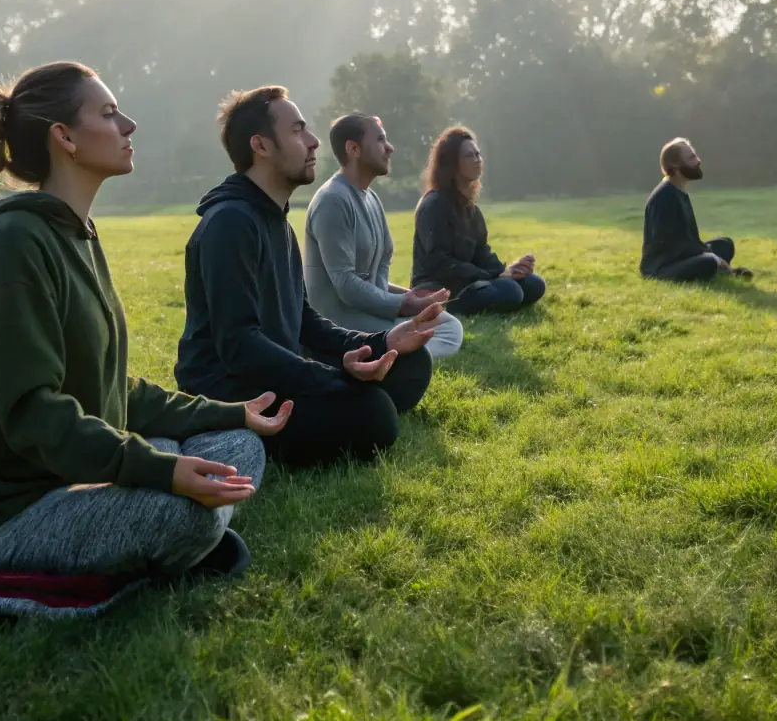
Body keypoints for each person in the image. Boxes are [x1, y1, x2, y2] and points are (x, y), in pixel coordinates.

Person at [0, 62, 292, 584]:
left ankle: (182, 529)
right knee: (182, 513)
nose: (129, 125)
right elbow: (34, 414)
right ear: (64, 136)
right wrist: (164, 473)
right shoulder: (15, 246)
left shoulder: (77, 235)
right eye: (110, 114)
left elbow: (115, 391)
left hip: (64, 481)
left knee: (237, 446)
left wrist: (232, 412)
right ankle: (182, 535)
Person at [175, 86, 441, 468]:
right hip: (234, 390)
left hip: (277, 370)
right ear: (261, 146)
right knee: (375, 415)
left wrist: (379, 341)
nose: (314, 142)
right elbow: (238, 345)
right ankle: (232, 434)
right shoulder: (230, 223)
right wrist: (332, 378)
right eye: (298, 130)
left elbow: (303, 318)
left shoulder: (277, 221)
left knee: (409, 363)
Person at [304, 113, 464, 359]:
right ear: (353, 149)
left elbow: (375, 279)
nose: (389, 148)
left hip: (370, 311)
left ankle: (399, 351)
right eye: (380, 140)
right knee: (434, 335)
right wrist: (404, 305)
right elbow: (346, 284)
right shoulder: (332, 201)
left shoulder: (371, 198)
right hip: (337, 322)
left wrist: (416, 298)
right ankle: (388, 354)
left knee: (447, 325)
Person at [411, 127, 547, 313]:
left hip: (470, 282)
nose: (477, 160)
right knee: (511, 291)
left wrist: (508, 271)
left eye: (478, 154)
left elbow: (481, 252)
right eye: (469, 156)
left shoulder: (471, 209)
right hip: (438, 288)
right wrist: (491, 277)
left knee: (534, 283)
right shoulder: (434, 204)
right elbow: (438, 263)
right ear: (452, 163)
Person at [640, 137, 752, 282]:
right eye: (691, 158)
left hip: (682, 255)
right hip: (661, 267)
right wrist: (711, 258)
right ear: (675, 166)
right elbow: (670, 247)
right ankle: (718, 268)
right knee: (709, 261)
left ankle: (718, 267)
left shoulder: (679, 191)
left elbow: (689, 239)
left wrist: (707, 253)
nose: (698, 161)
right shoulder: (665, 196)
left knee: (725, 244)